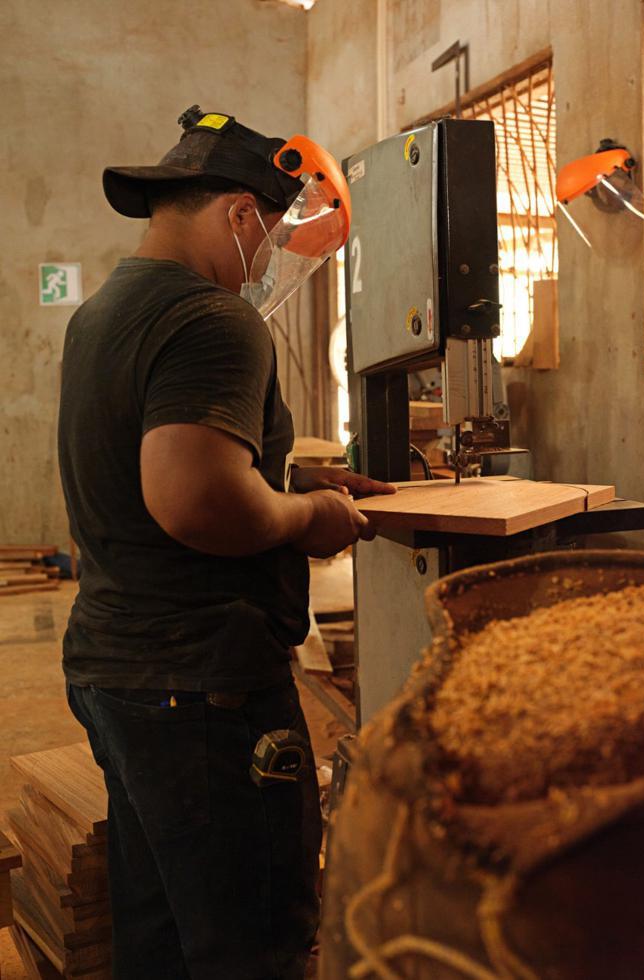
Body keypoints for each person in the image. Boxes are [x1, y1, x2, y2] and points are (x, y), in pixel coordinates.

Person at [57, 105, 394, 980]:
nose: (272, 254)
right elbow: (193, 500)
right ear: (242, 212)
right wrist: (308, 520)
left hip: (118, 671)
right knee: (254, 944)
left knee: (163, 934)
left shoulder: (104, 312)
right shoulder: (213, 318)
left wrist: (285, 480)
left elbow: (151, 468)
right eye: (274, 232)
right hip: (204, 687)